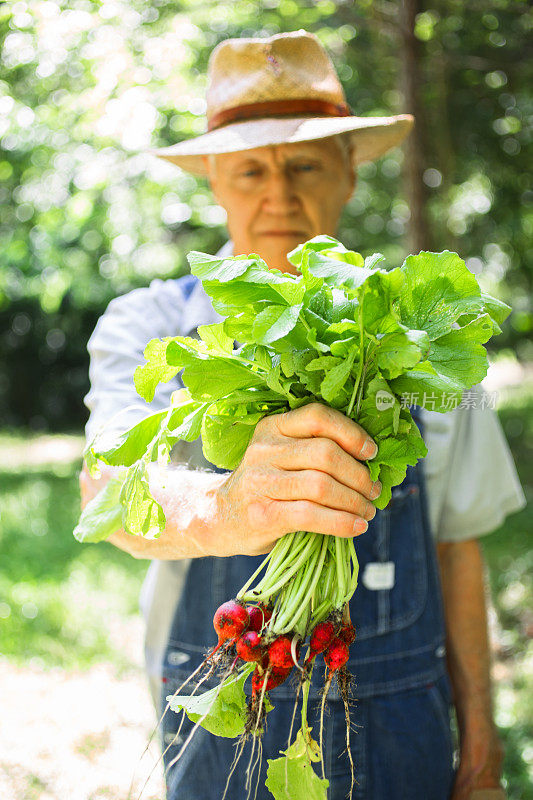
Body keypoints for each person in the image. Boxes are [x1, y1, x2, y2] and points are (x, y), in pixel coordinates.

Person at [79, 31, 525, 800]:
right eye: (250, 169)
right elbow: (105, 494)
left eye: (305, 165)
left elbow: (458, 548)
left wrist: (480, 756)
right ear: (216, 181)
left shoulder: (417, 332)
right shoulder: (147, 327)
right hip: (217, 718)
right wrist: (226, 509)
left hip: (404, 729)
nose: (278, 195)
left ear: (350, 175)